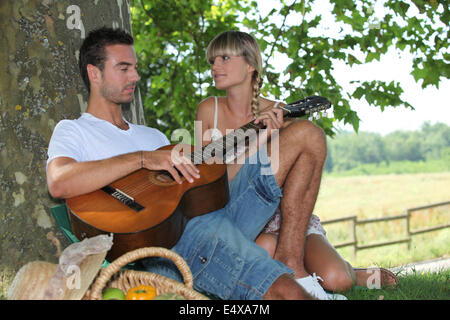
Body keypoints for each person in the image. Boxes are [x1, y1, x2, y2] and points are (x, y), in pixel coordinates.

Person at [46, 27, 313, 300]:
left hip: (214, 216)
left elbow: (207, 190)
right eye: (124, 68)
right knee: (285, 293)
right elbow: (59, 181)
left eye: (135, 68)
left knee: (306, 135)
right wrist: (142, 159)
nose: (136, 76)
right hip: (172, 241)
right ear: (94, 73)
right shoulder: (74, 130)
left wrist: (260, 137)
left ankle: (291, 261)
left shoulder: (154, 138)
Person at [195, 30, 398, 298]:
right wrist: (260, 140)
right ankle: (297, 266)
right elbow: (207, 180)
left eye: (223, 58)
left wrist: (273, 132)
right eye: (212, 61)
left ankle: (357, 273)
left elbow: (295, 183)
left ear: (250, 66)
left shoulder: (279, 113)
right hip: (239, 216)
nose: (215, 66)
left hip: (285, 218)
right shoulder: (209, 109)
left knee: (338, 280)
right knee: (265, 249)